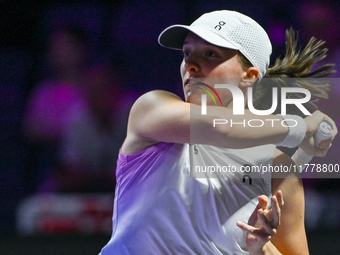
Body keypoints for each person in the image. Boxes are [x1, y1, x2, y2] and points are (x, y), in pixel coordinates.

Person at [100, 10, 337, 254]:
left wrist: (260, 249)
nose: (190, 65)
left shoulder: (278, 167)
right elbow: (218, 127)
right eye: (187, 53)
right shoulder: (151, 109)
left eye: (210, 55)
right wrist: (300, 128)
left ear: (250, 76)